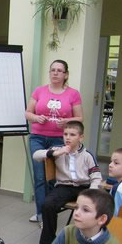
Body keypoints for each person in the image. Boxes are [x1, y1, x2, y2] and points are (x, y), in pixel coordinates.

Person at [26, 60, 83, 224]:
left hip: (58, 139)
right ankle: (40, 213)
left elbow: (80, 118)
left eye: (59, 70)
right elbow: (28, 113)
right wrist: (36, 118)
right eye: (53, 70)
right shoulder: (39, 91)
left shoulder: (73, 94)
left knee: (51, 177)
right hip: (37, 138)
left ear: (66, 74)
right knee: (39, 177)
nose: (55, 73)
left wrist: (66, 121)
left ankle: (49, 210)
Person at [33, 121, 102, 244]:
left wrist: (91, 193)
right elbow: (36, 155)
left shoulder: (87, 155)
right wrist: (54, 153)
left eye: (72, 134)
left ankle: (85, 241)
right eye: (65, 134)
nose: (68, 137)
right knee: (48, 205)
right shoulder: (58, 150)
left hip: (84, 187)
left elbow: (96, 177)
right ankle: (48, 243)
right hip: (64, 186)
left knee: (89, 207)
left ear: (81, 137)